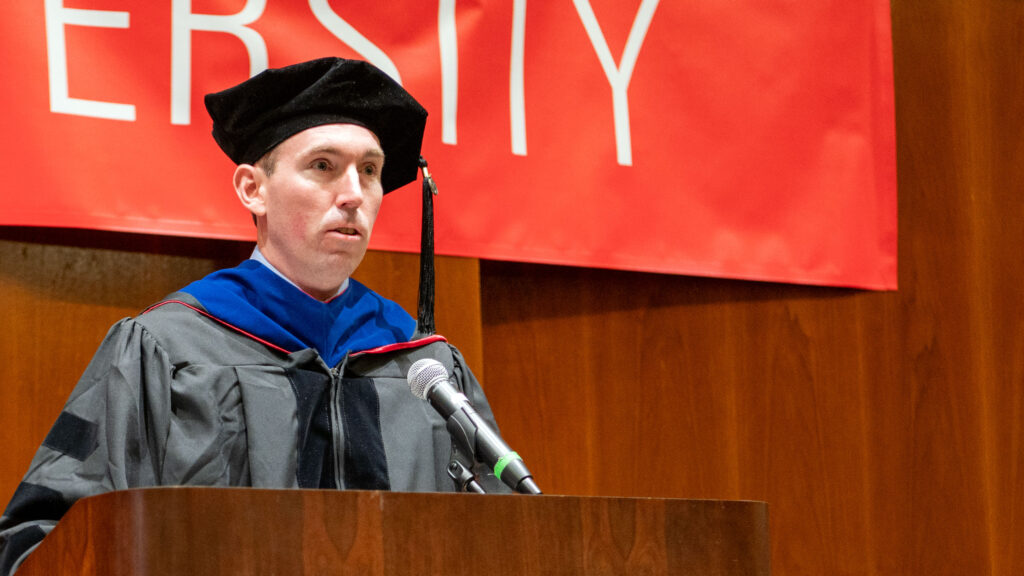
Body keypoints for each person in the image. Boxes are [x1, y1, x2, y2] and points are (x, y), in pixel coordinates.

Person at [0, 57, 505, 574]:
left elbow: (502, 541)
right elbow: (45, 537)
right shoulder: (166, 349)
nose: (354, 194)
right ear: (252, 189)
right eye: (323, 166)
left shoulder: (424, 364)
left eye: (370, 171)